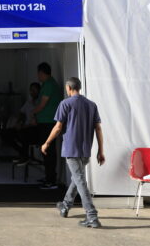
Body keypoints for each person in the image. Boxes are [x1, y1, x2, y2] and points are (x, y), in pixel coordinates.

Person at [41, 77, 105, 228]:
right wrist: (101, 151)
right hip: (85, 150)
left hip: (71, 149)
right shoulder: (91, 105)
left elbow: (57, 128)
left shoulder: (65, 104)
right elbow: (98, 128)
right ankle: (65, 205)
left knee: (80, 181)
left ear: (69, 88)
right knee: (78, 179)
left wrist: (47, 142)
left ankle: (91, 215)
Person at [18, 63, 63, 189]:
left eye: (39, 73)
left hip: (49, 123)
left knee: (48, 150)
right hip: (45, 122)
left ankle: (51, 180)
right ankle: (48, 177)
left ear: (42, 73)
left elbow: (42, 105)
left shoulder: (49, 85)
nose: (38, 76)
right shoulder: (47, 84)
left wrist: (33, 113)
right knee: (45, 150)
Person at [0, 82, 40, 158]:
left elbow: (35, 123)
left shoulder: (40, 103)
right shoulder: (29, 102)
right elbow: (21, 112)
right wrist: (18, 122)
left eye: (34, 90)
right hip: (23, 127)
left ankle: (24, 155)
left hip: (33, 129)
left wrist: (22, 126)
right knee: (6, 134)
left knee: (23, 134)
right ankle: (22, 152)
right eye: (31, 90)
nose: (32, 92)